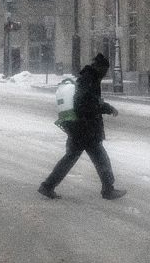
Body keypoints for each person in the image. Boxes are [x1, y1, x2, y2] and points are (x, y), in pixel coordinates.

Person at [39, 53, 126, 200]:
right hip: (85, 129)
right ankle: (108, 190)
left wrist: (102, 107)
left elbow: (88, 101)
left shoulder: (89, 78)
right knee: (101, 159)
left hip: (80, 128)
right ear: (100, 68)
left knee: (71, 159)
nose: (105, 73)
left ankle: (47, 186)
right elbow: (87, 103)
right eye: (105, 70)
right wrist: (107, 108)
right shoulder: (89, 79)